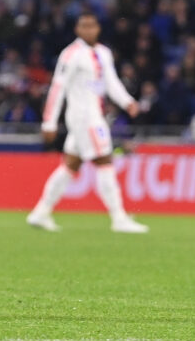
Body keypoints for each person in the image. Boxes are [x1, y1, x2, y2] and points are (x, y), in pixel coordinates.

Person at [27, 12, 148, 234]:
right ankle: (119, 218)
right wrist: (49, 122)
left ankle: (41, 212)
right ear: (77, 29)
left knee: (71, 165)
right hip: (83, 116)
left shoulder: (103, 53)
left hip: (94, 115)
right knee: (105, 160)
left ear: (98, 28)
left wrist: (127, 101)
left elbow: (111, 82)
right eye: (84, 26)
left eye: (92, 26)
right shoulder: (71, 54)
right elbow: (57, 88)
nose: (88, 30)